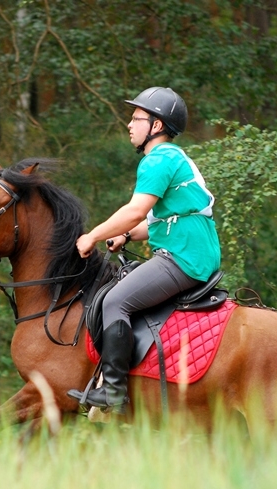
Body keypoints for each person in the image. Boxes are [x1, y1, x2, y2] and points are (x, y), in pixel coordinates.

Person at [67, 87, 221, 413]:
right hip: (189, 252)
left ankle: (113, 392)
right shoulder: (172, 159)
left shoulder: (159, 159)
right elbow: (153, 221)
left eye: (137, 118)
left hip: (183, 258)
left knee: (115, 301)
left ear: (157, 126)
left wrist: (92, 235)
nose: (129, 124)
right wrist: (125, 236)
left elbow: (136, 210)